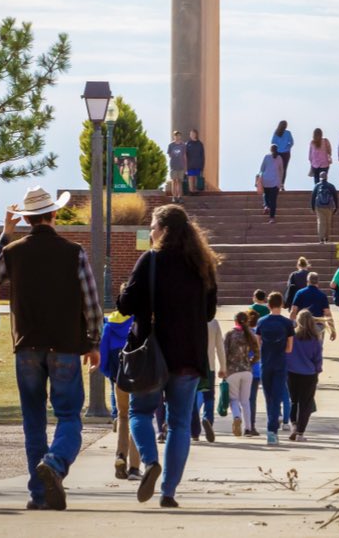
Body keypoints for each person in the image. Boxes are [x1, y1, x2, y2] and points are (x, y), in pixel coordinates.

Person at [0, 186, 103, 511]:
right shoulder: (74, 252)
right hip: (65, 345)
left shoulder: (14, 251)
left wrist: (5, 235)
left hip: (26, 346)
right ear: (53, 215)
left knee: (33, 421)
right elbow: (91, 303)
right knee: (69, 416)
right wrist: (94, 343)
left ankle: (38, 494)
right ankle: (55, 461)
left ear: (27, 219)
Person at [118, 204, 219, 508]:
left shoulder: (150, 260)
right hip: (188, 355)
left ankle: (150, 461)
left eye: (152, 226)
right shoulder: (203, 264)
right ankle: (169, 491)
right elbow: (209, 312)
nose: (150, 232)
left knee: (140, 412)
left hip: (152, 353)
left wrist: (125, 288)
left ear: (163, 230)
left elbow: (125, 305)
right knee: (178, 424)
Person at [99, 301, 140, 481]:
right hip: (139, 378)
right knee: (138, 417)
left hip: (119, 378)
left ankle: (120, 456)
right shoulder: (139, 321)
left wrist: (111, 375)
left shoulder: (110, 324)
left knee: (123, 417)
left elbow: (103, 353)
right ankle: (134, 468)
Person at [255, 291, 295, 445]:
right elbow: (289, 348)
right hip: (280, 363)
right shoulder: (287, 323)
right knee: (277, 397)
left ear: (268, 304)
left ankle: (271, 429)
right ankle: (272, 431)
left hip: (266, 363)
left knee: (268, 397)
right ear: (282, 305)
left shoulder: (261, 322)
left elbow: (258, 344)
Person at [286, 310, 324, 442]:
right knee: (305, 403)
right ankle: (300, 433)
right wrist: (318, 369)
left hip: (291, 372)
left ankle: (294, 426)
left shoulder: (292, 336)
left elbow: (287, 352)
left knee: (294, 401)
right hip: (309, 373)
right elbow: (318, 358)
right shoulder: (315, 339)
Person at [191, 317, 226, 442]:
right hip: (209, 366)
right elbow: (220, 346)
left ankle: (194, 430)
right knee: (209, 397)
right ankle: (208, 420)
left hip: (192, 366)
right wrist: (223, 366)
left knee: (192, 397)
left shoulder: (190, 319)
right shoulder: (213, 323)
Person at [223, 311, 257, 437]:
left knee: (234, 399)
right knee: (245, 401)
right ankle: (248, 428)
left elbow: (224, 353)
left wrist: (223, 369)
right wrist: (250, 362)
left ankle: (237, 417)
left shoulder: (230, 334)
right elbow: (257, 352)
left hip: (232, 371)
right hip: (247, 371)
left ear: (235, 321)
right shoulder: (250, 335)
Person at [290, 272, 336, 344]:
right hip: (318, 326)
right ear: (318, 282)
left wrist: (292, 326)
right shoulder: (322, 295)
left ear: (307, 281)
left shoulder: (300, 293)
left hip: (302, 326)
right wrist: (332, 329)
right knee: (317, 350)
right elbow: (327, 314)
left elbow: (293, 311)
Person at [310, 171, 339, 244]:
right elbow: (335, 197)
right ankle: (327, 238)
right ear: (327, 177)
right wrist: (336, 207)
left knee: (320, 222)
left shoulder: (317, 186)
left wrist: (312, 207)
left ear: (320, 177)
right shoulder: (331, 186)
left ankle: (321, 238)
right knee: (328, 222)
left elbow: (313, 197)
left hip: (319, 206)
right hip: (329, 206)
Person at [258, 145, 283, 223]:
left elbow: (262, 169)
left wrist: (260, 178)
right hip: (275, 181)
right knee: (273, 200)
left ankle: (266, 206)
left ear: (270, 150)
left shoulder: (266, 157)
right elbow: (281, 171)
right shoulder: (279, 158)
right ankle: (272, 218)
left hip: (266, 180)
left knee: (265, 194)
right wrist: (280, 182)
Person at [271, 120, 295, 186]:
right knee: (284, 169)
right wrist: (288, 147)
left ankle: (275, 183)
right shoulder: (288, 133)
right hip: (286, 153)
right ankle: (282, 184)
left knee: (277, 168)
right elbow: (292, 142)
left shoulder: (276, 133)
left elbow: (272, 142)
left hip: (277, 152)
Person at [167, 130, 187, 203]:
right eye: (176, 135)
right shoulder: (171, 145)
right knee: (174, 181)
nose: (177, 137)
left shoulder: (183, 145)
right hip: (173, 166)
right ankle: (174, 197)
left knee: (179, 181)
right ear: (174, 136)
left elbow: (184, 155)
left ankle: (180, 197)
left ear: (180, 136)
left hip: (181, 166)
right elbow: (169, 154)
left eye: (179, 135)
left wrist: (185, 165)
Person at [185, 128, 205, 194]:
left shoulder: (200, 144)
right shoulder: (187, 144)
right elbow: (185, 155)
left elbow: (202, 155)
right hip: (190, 164)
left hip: (198, 164)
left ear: (196, 134)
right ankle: (191, 191)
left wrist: (202, 165)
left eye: (193, 134)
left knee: (196, 177)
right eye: (191, 134)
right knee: (191, 177)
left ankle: (195, 190)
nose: (192, 135)